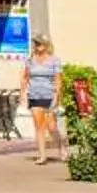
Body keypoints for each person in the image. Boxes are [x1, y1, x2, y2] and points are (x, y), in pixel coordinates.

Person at [20, 35, 66, 164]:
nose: (37, 46)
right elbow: (25, 77)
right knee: (38, 125)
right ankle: (42, 156)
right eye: (36, 43)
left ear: (46, 45)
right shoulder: (30, 60)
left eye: (40, 43)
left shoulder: (54, 60)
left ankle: (62, 147)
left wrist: (56, 96)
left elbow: (58, 79)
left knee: (51, 126)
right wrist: (23, 93)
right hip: (34, 95)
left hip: (49, 96)